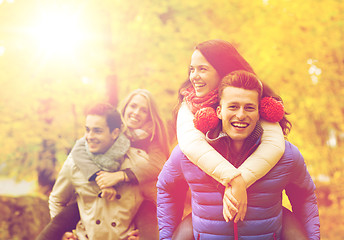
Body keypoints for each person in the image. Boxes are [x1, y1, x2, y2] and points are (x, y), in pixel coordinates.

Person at [157, 70, 320, 239]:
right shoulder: (187, 155)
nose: (241, 115)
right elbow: (167, 188)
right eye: (233, 107)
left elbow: (305, 197)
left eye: (249, 108)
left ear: (259, 114)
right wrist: (167, 237)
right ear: (219, 111)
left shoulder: (287, 156)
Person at [174, 39, 287, 225]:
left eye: (202, 69)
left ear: (223, 69)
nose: (194, 76)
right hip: (208, 216)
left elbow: (273, 146)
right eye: (192, 69)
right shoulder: (189, 104)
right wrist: (233, 179)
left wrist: (239, 182)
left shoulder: (252, 97)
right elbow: (191, 144)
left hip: (260, 216)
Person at [39, 89, 168, 240]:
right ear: (124, 108)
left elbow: (157, 195)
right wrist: (98, 177)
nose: (136, 112)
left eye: (143, 110)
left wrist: (145, 232)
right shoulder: (86, 149)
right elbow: (79, 149)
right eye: (133, 106)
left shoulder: (146, 146)